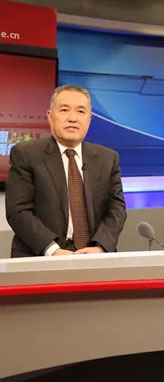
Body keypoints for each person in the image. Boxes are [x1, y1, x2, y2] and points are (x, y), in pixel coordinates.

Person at [5, 85, 127, 257]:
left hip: (94, 256)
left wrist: (99, 248)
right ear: (50, 116)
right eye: (64, 110)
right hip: (41, 257)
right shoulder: (26, 154)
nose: (72, 118)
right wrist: (53, 250)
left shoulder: (108, 158)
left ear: (89, 119)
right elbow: (18, 211)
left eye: (80, 111)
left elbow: (116, 209)